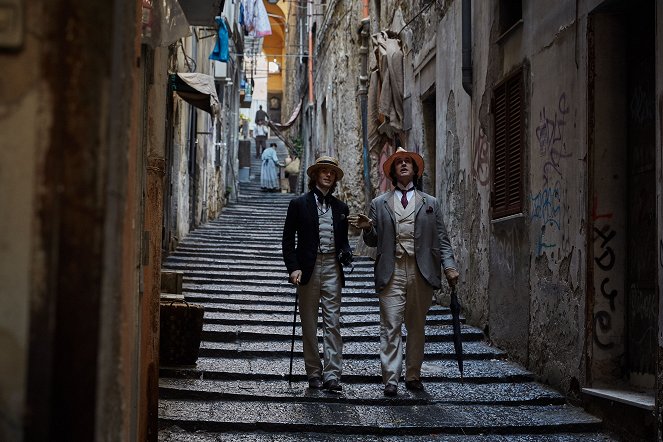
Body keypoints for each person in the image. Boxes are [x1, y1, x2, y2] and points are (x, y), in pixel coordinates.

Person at [348, 147, 459, 397]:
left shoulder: (431, 203)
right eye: (399, 163)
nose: (404, 165)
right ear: (393, 171)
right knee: (390, 324)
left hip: (421, 271)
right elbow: (373, 242)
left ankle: (413, 374)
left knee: (417, 325)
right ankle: (391, 378)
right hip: (392, 269)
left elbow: (442, 239)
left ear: (416, 169)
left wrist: (449, 267)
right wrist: (367, 229)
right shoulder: (379, 203)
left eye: (409, 161)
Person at [282, 156, 352, 392]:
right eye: (323, 171)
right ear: (315, 175)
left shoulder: (341, 208)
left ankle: (333, 375)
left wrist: (345, 252)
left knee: (333, 323)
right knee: (309, 323)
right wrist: (293, 268)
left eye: (332, 172)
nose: (328, 175)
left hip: (332, 267)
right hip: (308, 269)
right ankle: (313, 372)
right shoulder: (298, 204)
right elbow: (287, 240)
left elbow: (343, 242)